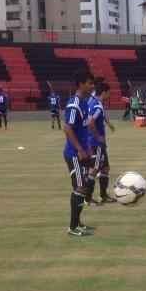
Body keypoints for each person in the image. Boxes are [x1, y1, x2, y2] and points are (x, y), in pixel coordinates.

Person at [62, 70, 96, 237]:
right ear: (81, 84)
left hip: (82, 152)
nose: (92, 86)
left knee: (86, 184)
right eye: (89, 83)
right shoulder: (74, 103)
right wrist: (80, 149)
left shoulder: (84, 102)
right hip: (74, 154)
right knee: (80, 187)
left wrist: (87, 147)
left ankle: (78, 223)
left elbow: (82, 129)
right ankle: (72, 227)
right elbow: (67, 128)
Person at [85, 80, 117, 205]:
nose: (109, 96)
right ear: (103, 92)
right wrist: (98, 137)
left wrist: (108, 124)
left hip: (96, 142)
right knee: (95, 169)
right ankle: (87, 197)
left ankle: (104, 195)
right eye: (108, 93)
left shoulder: (93, 102)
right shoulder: (97, 105)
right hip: (96, 143)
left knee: (105, 168)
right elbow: (90, 122)